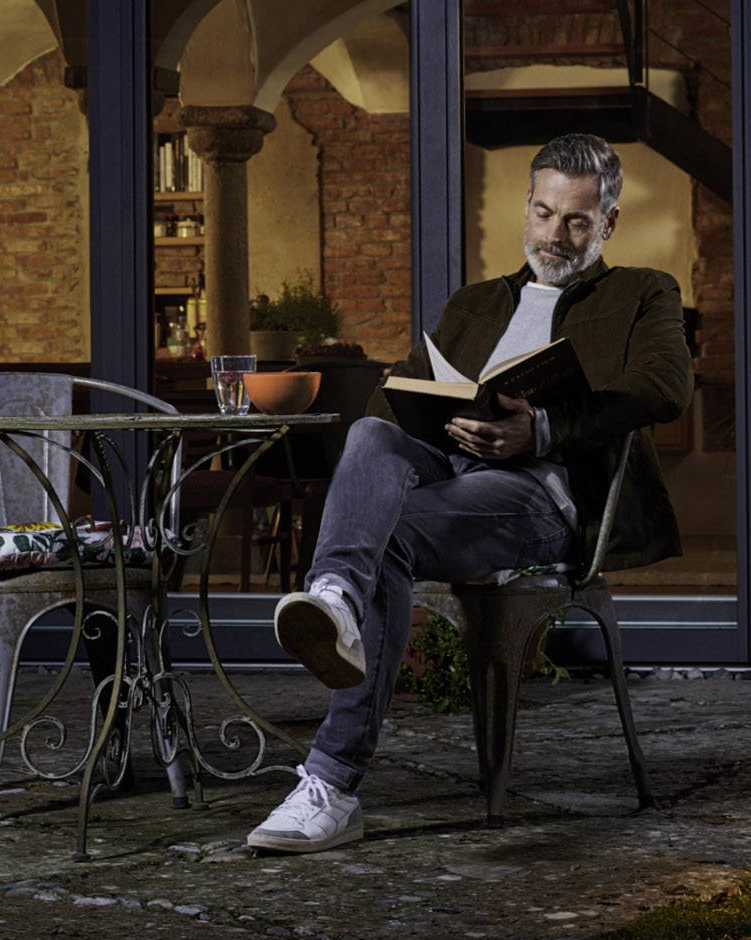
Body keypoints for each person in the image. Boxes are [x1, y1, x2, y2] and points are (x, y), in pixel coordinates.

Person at [245, 132, 693, 852]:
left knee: (387, 538)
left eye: (577, 221)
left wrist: (539, 429)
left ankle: (330, 783)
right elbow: (395, 403)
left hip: (540, 498)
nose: (555, 235)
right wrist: (442, 416)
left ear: (609, 222)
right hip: (449, 476)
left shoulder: (641, 293)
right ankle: (335, 598)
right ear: (527, 205)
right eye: (543, 213)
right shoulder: (476, 302)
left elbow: (665, 387)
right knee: (371, 435)